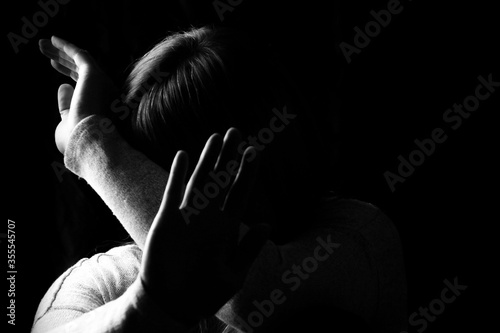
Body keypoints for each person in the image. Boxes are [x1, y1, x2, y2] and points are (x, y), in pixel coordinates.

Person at [33, 27, 407, 332]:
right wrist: (150, 302)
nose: (208, 194)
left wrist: (91, 146)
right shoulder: (105, 280)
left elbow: (254, 298)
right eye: (166, 173)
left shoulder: (357, 237)